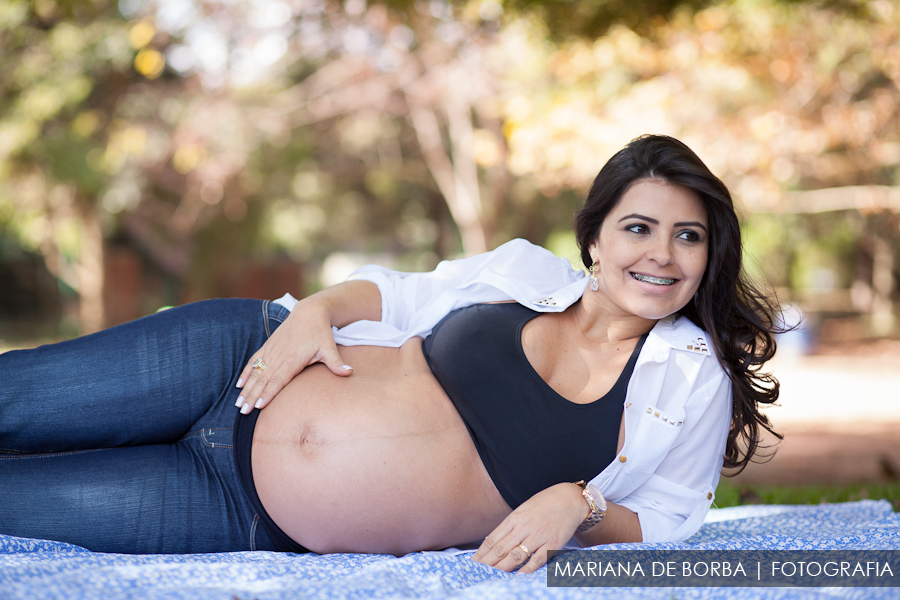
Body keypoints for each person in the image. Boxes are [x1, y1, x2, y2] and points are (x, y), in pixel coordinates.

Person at [0, 135, 780, 574]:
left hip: (241, 513)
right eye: (638, 228)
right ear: (597, 239)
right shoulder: (522, 272)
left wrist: (583, 505)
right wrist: (315, 311)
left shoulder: (689, 376)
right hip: (235, 359)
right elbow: (396, 294)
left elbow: (677, 518)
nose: (662, 255)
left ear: (710, 256)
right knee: (15, 397)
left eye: (689, 236)